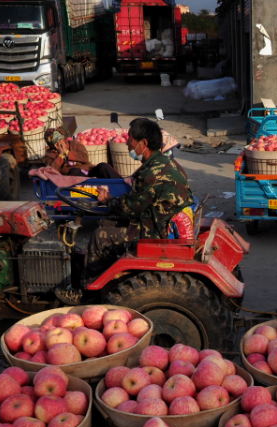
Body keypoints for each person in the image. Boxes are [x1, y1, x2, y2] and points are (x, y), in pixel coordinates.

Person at [55, 118, 193, 304]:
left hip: (156, 231)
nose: (127, 142)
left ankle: (86, 294)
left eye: (130, 139)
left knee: (101, 236)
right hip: (161, 219)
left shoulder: (151, 173)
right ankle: (108, 280)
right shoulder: (168, 163)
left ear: (144, 143)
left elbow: (129, 208)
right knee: (108, 223)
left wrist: (107, 200)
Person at [42, 127, 122, 179]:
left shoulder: (75, 144)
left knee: (103, 166)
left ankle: (124, 184)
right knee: (74, 171)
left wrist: (67, 153)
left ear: (64, 139)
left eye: (61, 140)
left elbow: (85, 158)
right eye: (57, 143)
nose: (60, 144)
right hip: (75, 177)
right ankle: (91, 187)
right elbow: (51, 171)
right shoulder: (50, 154)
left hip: (89, 171)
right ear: (52, 145)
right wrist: (61, 155)